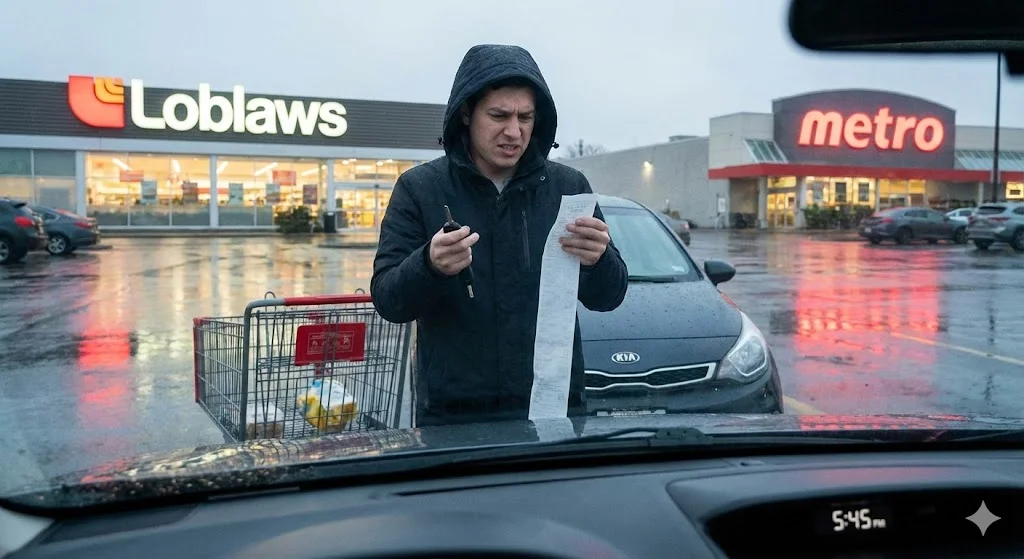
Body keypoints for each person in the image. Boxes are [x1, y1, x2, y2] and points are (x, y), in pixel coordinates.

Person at [370, 44, 628, 427]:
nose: (514, 131)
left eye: (525, 117)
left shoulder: (567, 187)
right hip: (453, 415)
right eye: (499, 115)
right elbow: (389, 300)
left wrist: (599, 260)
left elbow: (609, 297)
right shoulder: (420, 188)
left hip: (554, 407)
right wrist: (429, 265)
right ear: (465, 115)